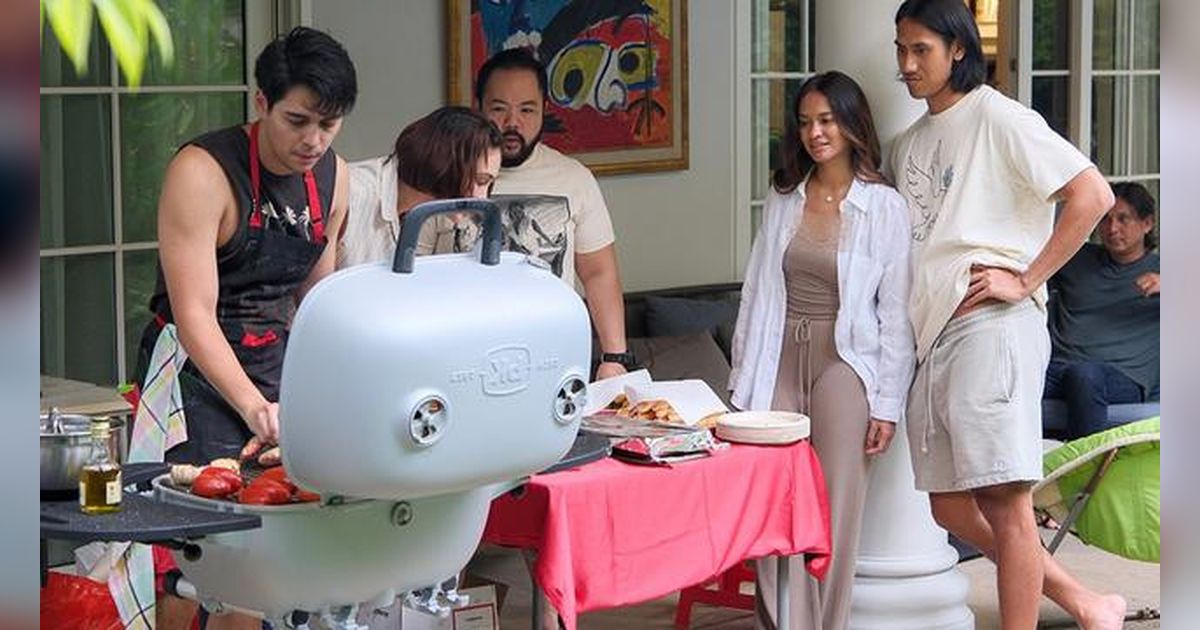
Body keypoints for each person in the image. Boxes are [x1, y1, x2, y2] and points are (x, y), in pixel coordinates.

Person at [889, 1, 1126, 628]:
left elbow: (1092, 194)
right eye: (901, 49)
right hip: (934, 336)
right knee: (948, 507)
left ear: (958, 49)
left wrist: (1026, 278)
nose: (907, 64)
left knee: (1006, 504)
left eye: (921, 50)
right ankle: (1087, 603)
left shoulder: (998, 116)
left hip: (989, 327)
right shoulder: (907, 143)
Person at [132, 26, 356, 630]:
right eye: (297, 121)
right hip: (193, 373)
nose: (313, 141)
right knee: (197, 552)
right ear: (262, 103)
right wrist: (254, 407)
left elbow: (318, 302)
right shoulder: (202, 171)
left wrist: (320, 391)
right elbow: (193, 313)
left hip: (276, 362)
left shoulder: (335, 179)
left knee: (267, 553)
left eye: (329, 124)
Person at [729, 71, 914, 630]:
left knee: (834, 514)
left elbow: (895, 314)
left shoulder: (884, 207)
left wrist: (887, 404)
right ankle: (780, 623)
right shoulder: (784, 195)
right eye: (806, 122)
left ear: (852, 123)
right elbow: (756, 290)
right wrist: (741, 381)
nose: (815, 133)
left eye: (827, 120)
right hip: (776, 359)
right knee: (770, 503)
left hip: (845, 366)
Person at [475, 48, 632, 380]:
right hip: (467, 355)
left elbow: (598, 272)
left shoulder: (573, 178)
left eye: (526, 109)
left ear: (545, 111)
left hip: (554, 357)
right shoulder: (448, 174)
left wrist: (614, 357)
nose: (512, 123)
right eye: (499, 109)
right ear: (479, 108)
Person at [1045, 181, 1160, 439]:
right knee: (1007, 376)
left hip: (1123, 377)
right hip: (1057, 369)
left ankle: (1086, 463)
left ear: (1147, 224)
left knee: (1084, 375)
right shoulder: (1075, 257)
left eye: (1123, 219)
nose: (1112, 228)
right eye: (1105, 219)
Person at [339, 106, 501, 269]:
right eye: (481, 180)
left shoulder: (414, 212)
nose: (482, 197)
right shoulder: (352, 193)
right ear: (445, 162)